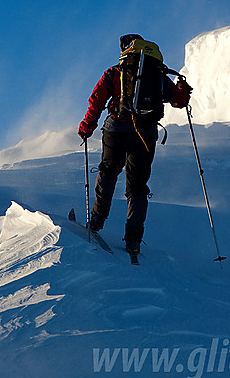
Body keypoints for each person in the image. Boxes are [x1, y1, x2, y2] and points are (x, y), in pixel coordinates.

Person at [78, 34, 193, 261]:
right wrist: (183, 89)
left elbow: (97, 101)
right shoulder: (157, 74)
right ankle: (133, 240)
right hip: (145, 132)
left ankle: (97, 221)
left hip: (116, 129)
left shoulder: (116, 72)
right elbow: (179, 101)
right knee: (138, 186)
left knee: (109, 171)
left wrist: (87, 126)